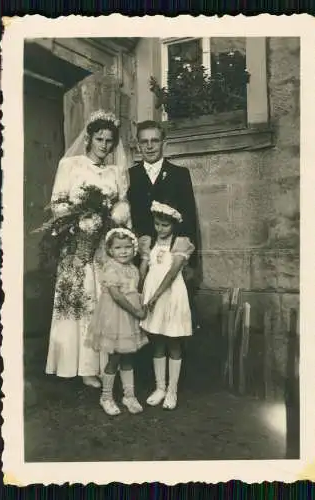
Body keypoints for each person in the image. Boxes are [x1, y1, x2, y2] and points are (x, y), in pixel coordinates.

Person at [45, 110, 131, 388]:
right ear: (89, 138)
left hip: (102, 248)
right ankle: (72, 365)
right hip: (77, 246)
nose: (104, 145)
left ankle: (96, 367)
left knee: (99, 305)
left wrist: (113, 223)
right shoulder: (70, 165)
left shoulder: (116, 172)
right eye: (99, 139)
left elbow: (121, 211)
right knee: (77, 304)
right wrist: (79, 226)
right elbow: (58, 204)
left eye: (109, 140)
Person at [127, 120, 200, 325]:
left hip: (170, 260)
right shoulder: (129, 176)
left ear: (163, 143)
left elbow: (189, 219)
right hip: (140, 259)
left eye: (154, 141)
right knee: (143, 315)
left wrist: (189, 264)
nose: (149, 146)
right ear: (138, 145)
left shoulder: (179, 174)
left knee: (170, 318)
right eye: (144, 142)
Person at [85, 227, 148, 416]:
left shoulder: (132, 268)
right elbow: (117, 296)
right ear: (110, 250)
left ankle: (129, 395)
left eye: (128, 247)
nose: (123, 251)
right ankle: (106, 397)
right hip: (116, 316)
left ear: (133, 248)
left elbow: (137, 287)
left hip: (129, 318)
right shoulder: (110, 268)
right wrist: (137, 312)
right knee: (114, 358)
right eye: (118, 248)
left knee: (128, 356)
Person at [139, 201, 195, 410]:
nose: (160, 229)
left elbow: (172, 273)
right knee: (157, 341)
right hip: (152, 294)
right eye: (157, 224)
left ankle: (172, 390)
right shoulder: (149, 242)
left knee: (173, 341)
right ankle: (160, 387)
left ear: (174, 225)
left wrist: (156, 295)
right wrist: (141, 292)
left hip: (170, 295)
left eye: (165, 225)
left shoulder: (180, 243)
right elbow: (144, 269)